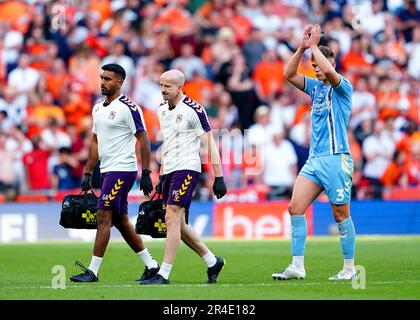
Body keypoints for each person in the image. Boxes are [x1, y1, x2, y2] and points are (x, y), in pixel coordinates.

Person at [272, 24, 357, 281]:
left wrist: (313, 47)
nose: (317, 69)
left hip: (336, 158)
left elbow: (330, 72)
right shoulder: (315, 87)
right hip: (314, 161)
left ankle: (349, 268)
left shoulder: (342, 87)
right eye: (314, 66)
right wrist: (301, 48)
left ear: (331, 63)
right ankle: (297, 266)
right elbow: (288, 73)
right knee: (295, 208)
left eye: (320, 64)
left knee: (341, 214)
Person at [70, 63, 159, 282]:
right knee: (120, 220)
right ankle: (152, 265)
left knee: (103, 215)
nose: (102, 82)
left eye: (108, 79)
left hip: (123, 170)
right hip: (107, 170)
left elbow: (144, 139)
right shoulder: (98, 108)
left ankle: (93, 271)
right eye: (101, 78)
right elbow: (95, 141)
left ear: (120, 82)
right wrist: (88, 172)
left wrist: (146, 172)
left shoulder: (129, 107)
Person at [140, 69, 227, 285]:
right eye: (161, 85)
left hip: (187, 168)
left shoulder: (194, 110)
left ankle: (164, 274)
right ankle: (212, 260)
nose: (163, 90)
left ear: (180, 87)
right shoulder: (162, 110)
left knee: (171, 217)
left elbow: (209, 143)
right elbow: (167, 145)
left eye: (168, 86)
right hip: (169, 169)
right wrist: (161, 177)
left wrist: (219, 176)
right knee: (177, 223)